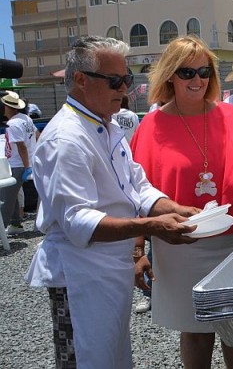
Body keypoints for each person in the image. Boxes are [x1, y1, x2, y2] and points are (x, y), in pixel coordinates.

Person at [24, 35, 200, 369]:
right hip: (80, 273)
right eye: (115, 81)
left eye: (128, 79)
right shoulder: (67, 138)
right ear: (80, 81)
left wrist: (172, 208)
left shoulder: (107, 125)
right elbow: (78, 222)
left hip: (108, 269)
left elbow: (136, 185)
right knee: (88, 359)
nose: (124, 89)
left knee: (115, 358)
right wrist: (151, 227)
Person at [130, 35, 233, 369]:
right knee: (194, 329)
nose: (197, 80)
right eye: (187, 72)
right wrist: (137, 251)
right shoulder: (150, 126)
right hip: (180, 244)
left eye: (203, 71)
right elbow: (134, 194)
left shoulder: (231, 117)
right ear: (170, 76)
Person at [1, 91, 38, 235]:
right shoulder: (25, 118)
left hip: (18, 164)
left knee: (6, 198)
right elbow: (37, 134)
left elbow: (21, 146)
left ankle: (2, 227)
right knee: (14, 196)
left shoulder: (13, 123)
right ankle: (15, 225)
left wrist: (27, 166)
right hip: (25, 162)